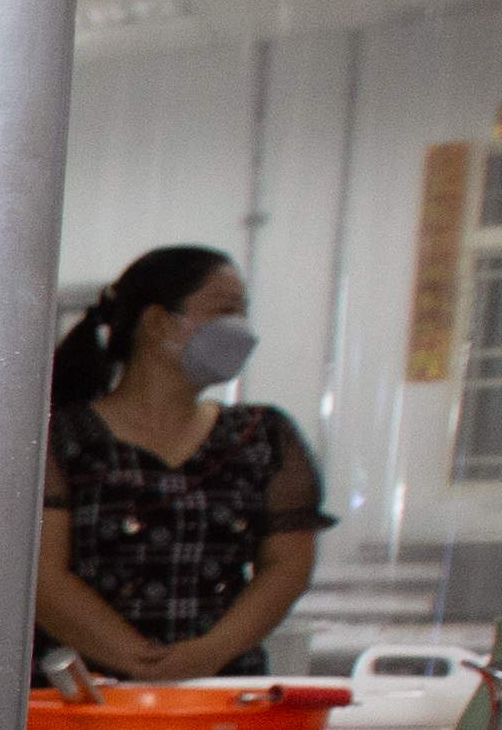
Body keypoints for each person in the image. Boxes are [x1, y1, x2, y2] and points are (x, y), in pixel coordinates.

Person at [35, 247, 317, 682]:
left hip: (219, 694)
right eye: (225, 310)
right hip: (91, 700)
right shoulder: (61, 438)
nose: (243, 329)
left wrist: (209, 654)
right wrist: (143, 664)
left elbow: (287, 564)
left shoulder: (263, 435)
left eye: (244, 312)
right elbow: (44, 577)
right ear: (158, 322)